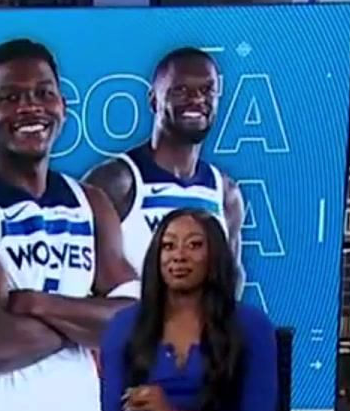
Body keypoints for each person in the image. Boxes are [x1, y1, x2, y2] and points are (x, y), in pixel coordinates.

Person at [0, 38, 139, 411]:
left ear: (63, 107)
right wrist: (88, 324)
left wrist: (39, 304)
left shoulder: (91, 202)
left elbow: (139, 325)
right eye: (10, 97)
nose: (30, 107)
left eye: (44, 93)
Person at [99, 209, 277, 411]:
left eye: (194, 245)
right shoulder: (124, 325)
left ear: (215, 256)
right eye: (168, 246)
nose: (179, 256)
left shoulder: (252, 326)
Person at [84, 47, 247, 292]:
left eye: (207, 90)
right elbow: (80, 279)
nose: (197, 99)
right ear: (154, 100)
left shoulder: (225, 194)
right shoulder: (116, 182)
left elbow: (231, 279)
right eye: (180, 90)